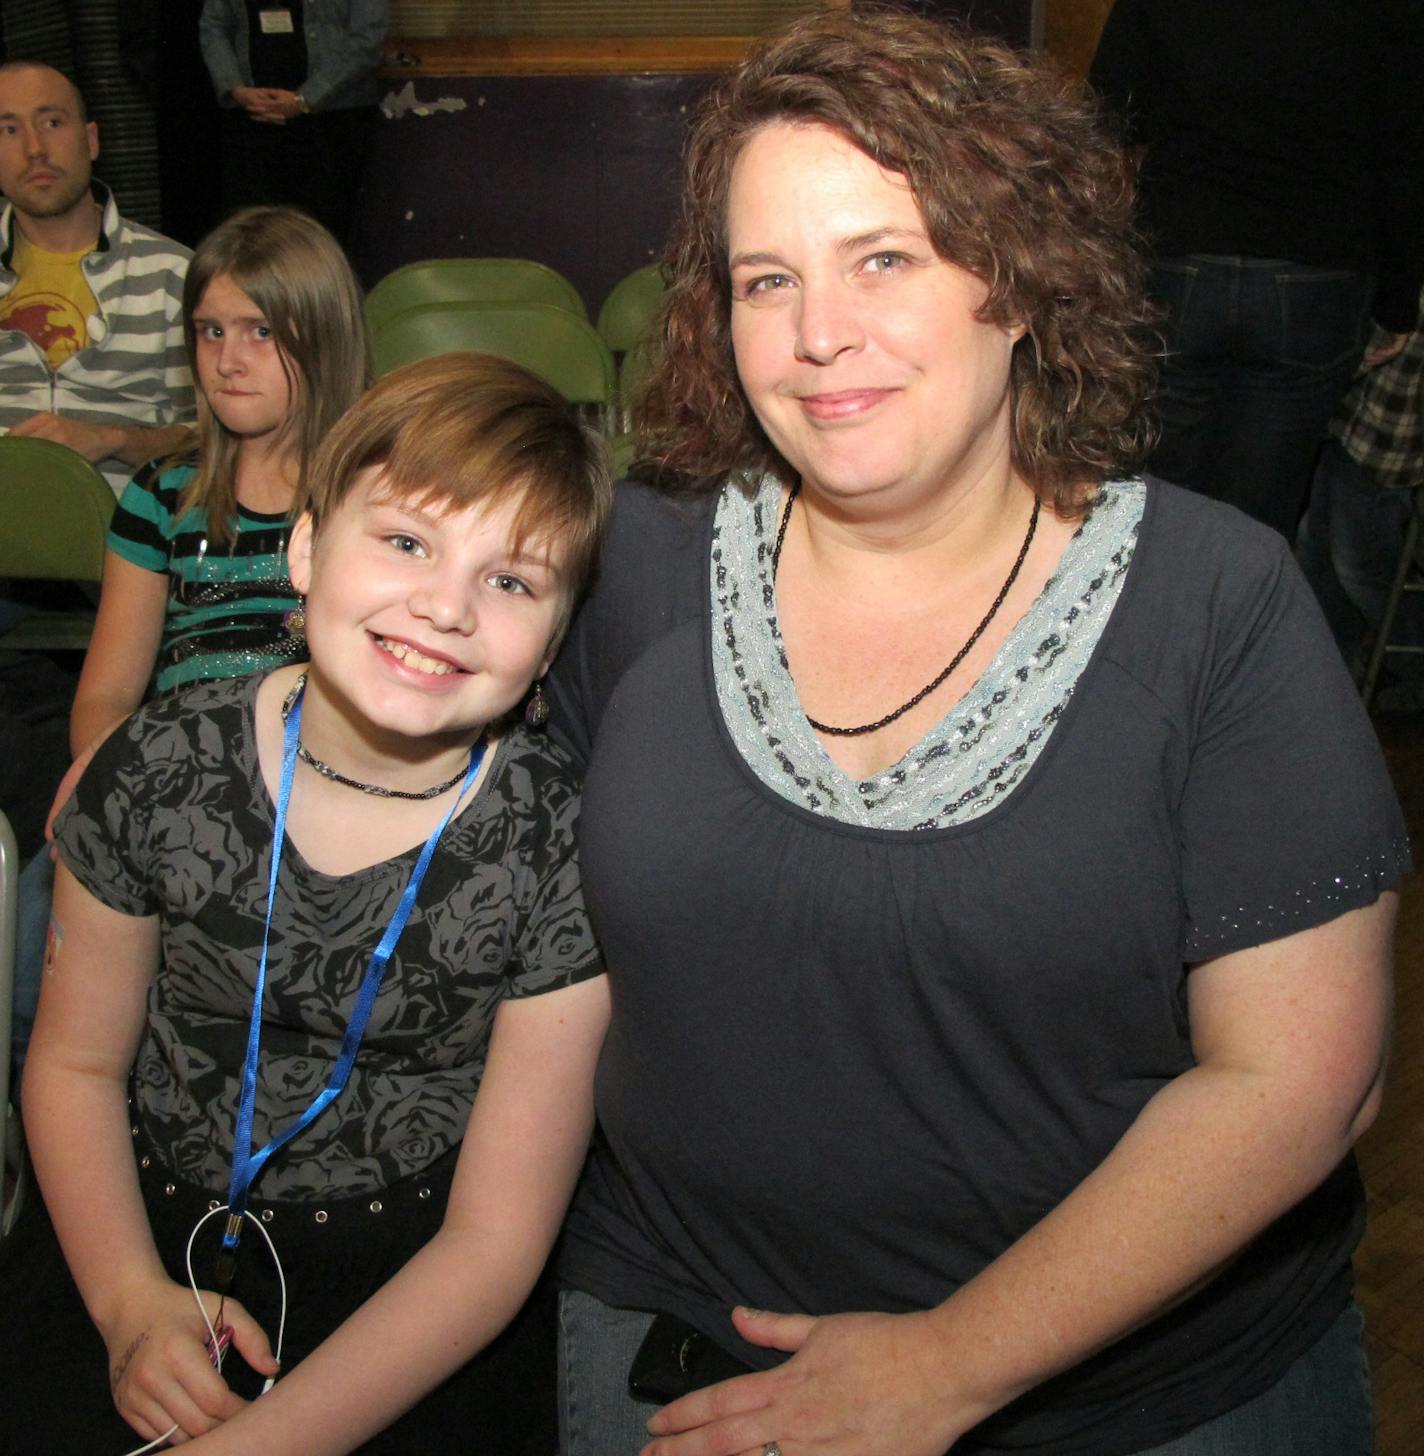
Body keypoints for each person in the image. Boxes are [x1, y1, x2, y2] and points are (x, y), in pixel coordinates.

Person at [543, 12, 1407, 1456]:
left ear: (1018, 278)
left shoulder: (1218, 604)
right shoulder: (635, 565)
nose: (821, 335)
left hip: (1150, 1397)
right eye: (770, 280)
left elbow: (1300, 1080)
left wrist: (947, 1366)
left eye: (886, 257)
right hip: (686, 1355)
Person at [2, 351, 612, 1453]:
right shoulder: (152, 767)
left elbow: (494, 1240)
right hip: (125, 1228)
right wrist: (130, 1301)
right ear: (305, 546)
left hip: (416, 1290)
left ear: (552, 641)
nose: (444, 607)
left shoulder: (560, 846)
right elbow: (73, 1064)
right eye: (406, 541)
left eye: (511, 580)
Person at [7, 203, 368, 1077]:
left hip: (315, 782)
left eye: (258, 331)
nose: (227, 358)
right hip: (169, 776)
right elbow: (106, 693)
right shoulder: (160, 495)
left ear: (319, 338)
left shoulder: (370, 495)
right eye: (208, 331)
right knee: (32, 940)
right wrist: (110, 777)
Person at [1088, 0, 1424, 539]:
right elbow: (1405, 151)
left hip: (1181, 250)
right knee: (1258, 521)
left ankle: (1150, 618)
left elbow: (1109, 114)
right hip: (1320, 266)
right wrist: (1398, 304)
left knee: (1150, 504)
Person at [0, 60, 194, 497]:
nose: (35, 149)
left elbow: (219, 439)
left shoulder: (175, 275)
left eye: (52, 122)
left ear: (90, 140)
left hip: (123, 541)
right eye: (8, 130)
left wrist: (115, 439)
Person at [1297, 296, 1424, 674]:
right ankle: (1326, 672)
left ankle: (1406, 665)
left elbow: (1372, 349)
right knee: (1317, 552)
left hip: (1389, 445)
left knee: (1360, 568)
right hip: (1357, 428)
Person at [198, 0, 387, 247]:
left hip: (332, 121)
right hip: (253, 118)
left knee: (323, 238)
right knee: (253, 238)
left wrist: (306, 99)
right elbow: (214, 27)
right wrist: (236, 89)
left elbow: (368, 39)